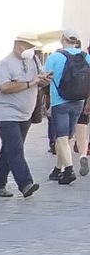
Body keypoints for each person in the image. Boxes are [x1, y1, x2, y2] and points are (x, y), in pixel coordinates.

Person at [0, 35, 47, 198]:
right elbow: (4, 87)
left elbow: (39, 79)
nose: (30, 50)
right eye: (27, 46)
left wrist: (44, 80)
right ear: (17, 45)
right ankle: (25, 183)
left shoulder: (34, 60)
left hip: (25, 114)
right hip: (6, 114)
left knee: (8, 150)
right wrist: (30, 82)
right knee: (15, 148)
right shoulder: (4, 64)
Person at [43, 30, 86, 186]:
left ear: (63, 40)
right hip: (79, 100)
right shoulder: (85, 56)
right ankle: (57, 168)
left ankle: (68, 170)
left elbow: (44, 77)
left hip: (59, 101)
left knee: (61, 138)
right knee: (69, 137)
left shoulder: (55, 57)